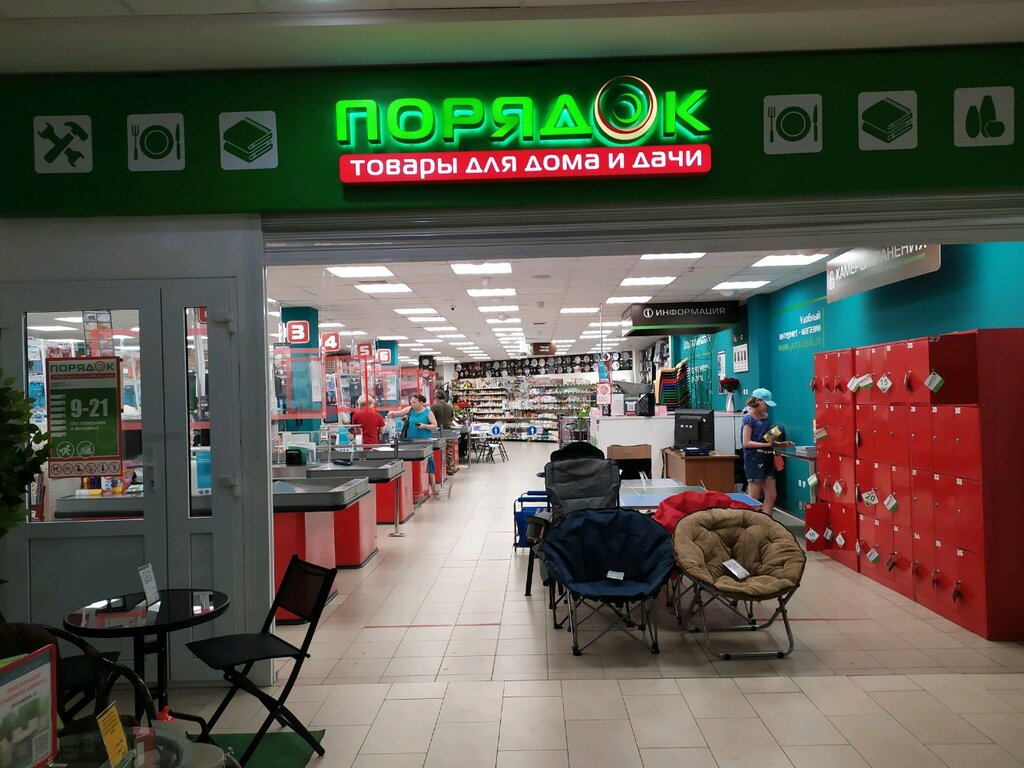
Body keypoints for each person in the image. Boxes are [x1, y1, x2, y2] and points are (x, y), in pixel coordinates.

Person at [740, 387, 793, 516]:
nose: (767, 407)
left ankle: (767, 522)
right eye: (766, 404)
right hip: (754, 459)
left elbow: (767, 438)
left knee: (771, 495)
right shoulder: (748, 418)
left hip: (767, 457)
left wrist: (779, 444)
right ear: (757, 401)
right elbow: (746, 442)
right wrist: (767, 445)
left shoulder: (765, 417)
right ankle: (748, 521)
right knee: (754, 496)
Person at [388, 393, 439, 496]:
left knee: (429, 465)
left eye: (414, 402)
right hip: (410, 441)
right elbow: (398, 414)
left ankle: (433, 487)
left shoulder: (428, 413)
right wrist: (392, 413)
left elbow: (435, 426)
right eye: (411, 402)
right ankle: (416, 487)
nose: (412, 404)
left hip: (424, 442)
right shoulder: (410, 410)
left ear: (421, 402)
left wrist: (424, 426)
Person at [431, 392, 458, 474]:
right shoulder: (449, 407)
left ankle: (441, 469)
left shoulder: (434, 407)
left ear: (437, 397)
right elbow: (452, 418)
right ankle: (450, 468)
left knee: (439, 450)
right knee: (448, 450)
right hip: (448, 430)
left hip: (438, 431)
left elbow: (431, 418)